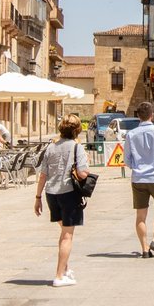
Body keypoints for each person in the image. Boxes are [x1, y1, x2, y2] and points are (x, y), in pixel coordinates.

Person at [34, 115, 90, 286]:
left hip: (51, 194)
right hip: (68, 193)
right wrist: (86, 165)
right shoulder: (76, 147)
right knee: (67, 236)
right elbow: (82, 173)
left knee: (64, 232)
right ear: (77, 130)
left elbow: (43, 174)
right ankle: (59, 276)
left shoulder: (51, 147)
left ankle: (65, 269)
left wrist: (37, 198)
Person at [122, 102, 154, 258]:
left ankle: (144, 248)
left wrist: (137, 167)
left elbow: (127, 160)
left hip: (138, 178)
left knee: (140, 215)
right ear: (152, 114)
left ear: (138, 115)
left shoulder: (131, 135)